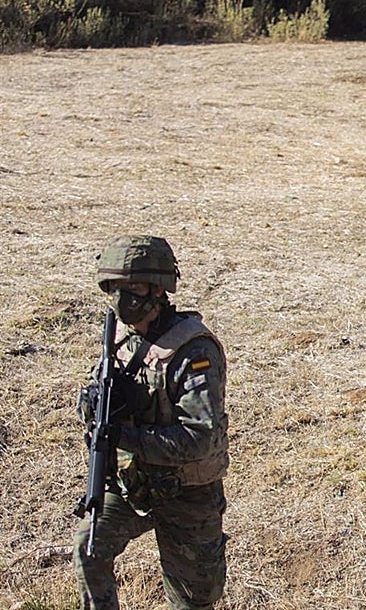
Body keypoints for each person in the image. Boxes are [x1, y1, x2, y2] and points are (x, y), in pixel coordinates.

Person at [73, 235, 229, 610]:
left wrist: (127, 435)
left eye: (133, 288)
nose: (121, 299)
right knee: (89, 548)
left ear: (159, 289)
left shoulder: (193, 351)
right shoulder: (120, 342)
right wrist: (93, 407)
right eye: (113, 288)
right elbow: (96, 406)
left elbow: (199, 439)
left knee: (192, 600)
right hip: (133, 484)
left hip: (186, 492)